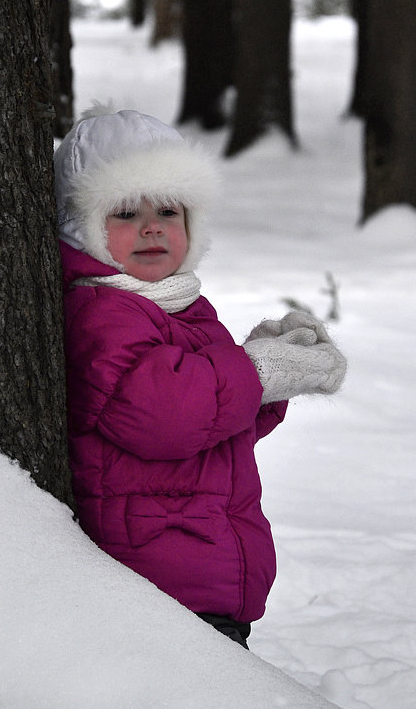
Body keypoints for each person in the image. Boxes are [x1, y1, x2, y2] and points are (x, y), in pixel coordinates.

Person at [54, 105, 346, 648]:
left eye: (168, 209)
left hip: (199, 568)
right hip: (158, 580)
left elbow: (212, 430)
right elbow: (165, 417)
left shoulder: (176, 305)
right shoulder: (102, 311)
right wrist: (256, 371)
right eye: (122, 212)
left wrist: (270, 370)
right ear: (82, 228)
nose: (150, 227)